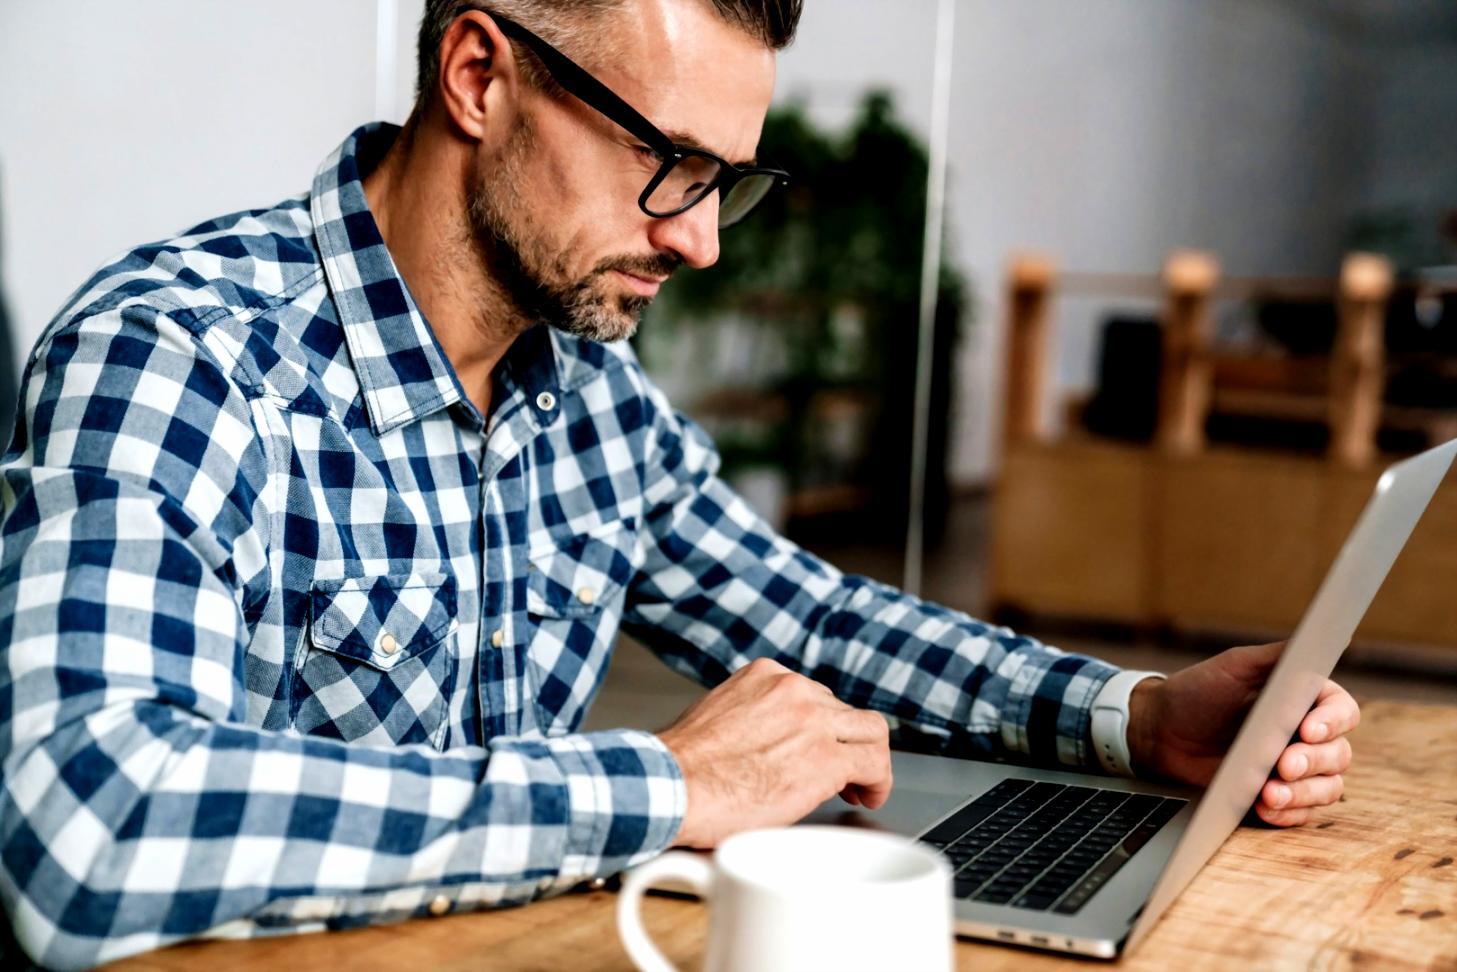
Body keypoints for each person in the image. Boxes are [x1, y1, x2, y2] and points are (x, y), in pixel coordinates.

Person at [0, 1, 1359, 968]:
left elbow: (811, 621)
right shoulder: (178, 356)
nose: (701, 240)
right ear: (479, 74)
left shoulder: (583, 386)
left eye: (728, 182)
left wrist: (1133, 715)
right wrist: (656, 786)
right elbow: (89, 818)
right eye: (669, 168)